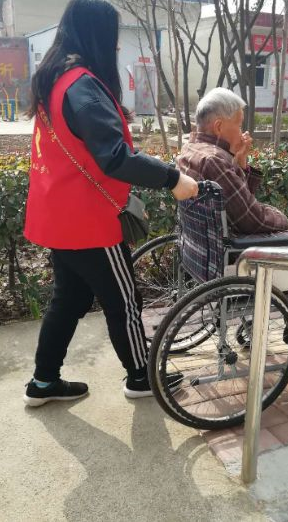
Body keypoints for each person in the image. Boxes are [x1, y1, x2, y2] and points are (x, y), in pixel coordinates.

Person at [23, 0, 198, 407]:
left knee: (68, 299)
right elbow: (115, 157)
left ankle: (43, 382)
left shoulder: (54, 80)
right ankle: (141, 376)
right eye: (114, 37)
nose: (117, 46)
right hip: (90, 222)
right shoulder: (82, 84)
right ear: (96, 35)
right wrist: (173, 178)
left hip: (59, 216)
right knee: (124, 302)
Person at [177, 87, 288, 364]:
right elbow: (254, 219)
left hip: (212, 251)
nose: (243, 130)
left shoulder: (192, 149)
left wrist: (240, 161)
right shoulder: (214, 160)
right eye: (239, 123)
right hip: (246, 253)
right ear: (219, 126)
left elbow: (237, 201)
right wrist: (282, 219)